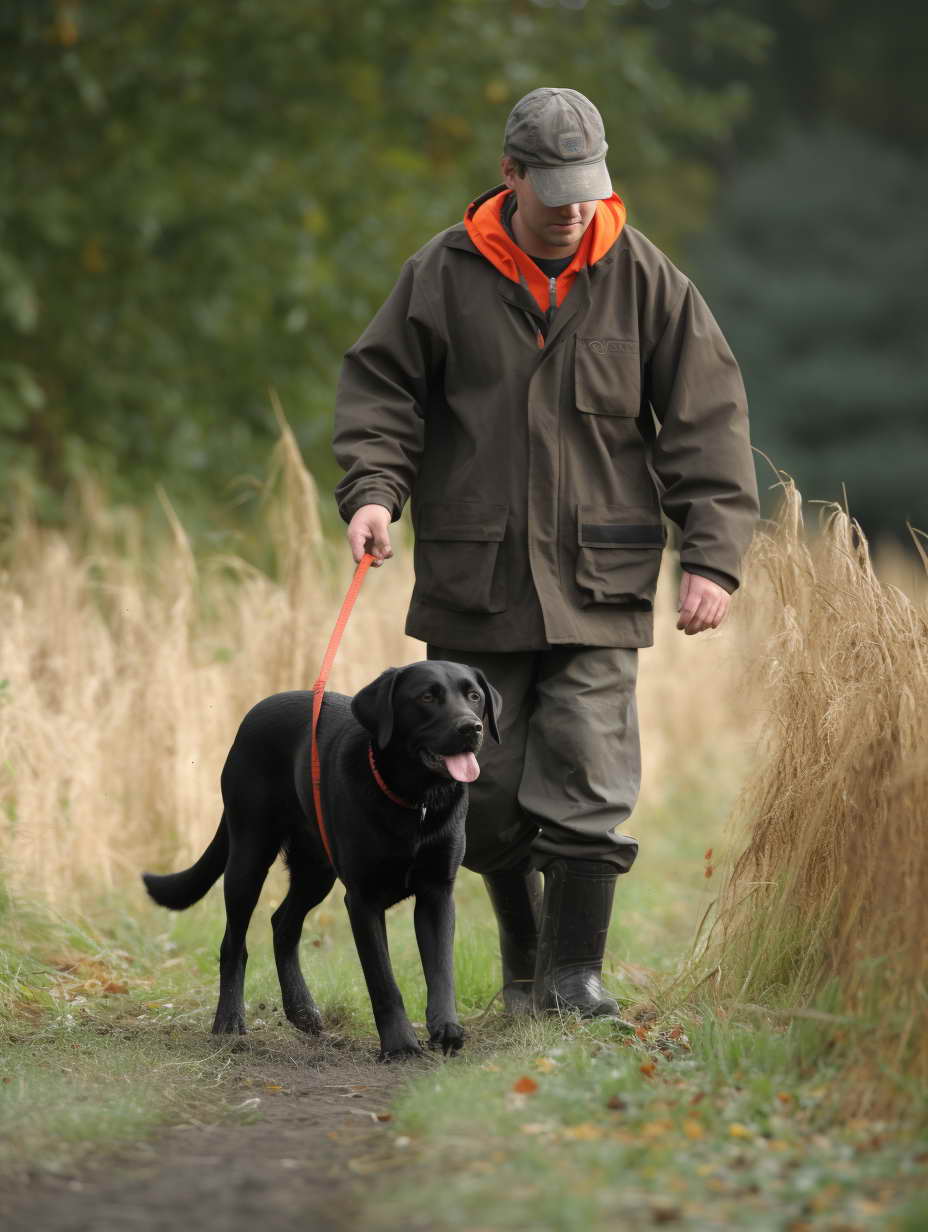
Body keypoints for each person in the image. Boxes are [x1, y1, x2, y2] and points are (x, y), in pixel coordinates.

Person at [332, 87, 758, 1017]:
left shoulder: (646, 279)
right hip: (474, 580)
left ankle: (573, 979)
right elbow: (381, 397)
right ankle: (524, 956)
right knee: (475, 795)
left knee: (590, 777)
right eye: (555, 187)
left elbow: (708, 423)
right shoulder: (439, 276)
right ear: (510, 174)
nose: (573, 209)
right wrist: (371, 494)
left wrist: (713, 556)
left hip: (600, 581)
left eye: (589, 187)